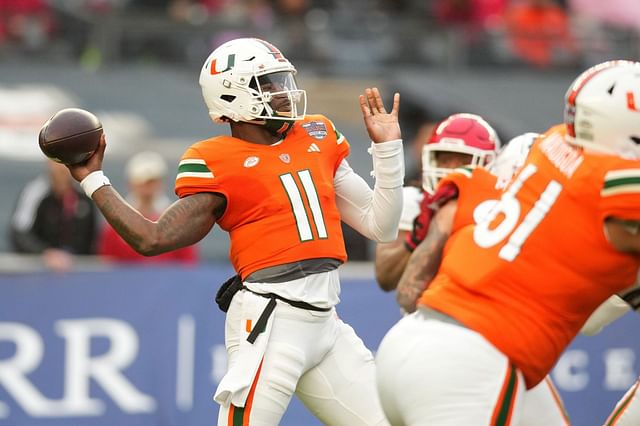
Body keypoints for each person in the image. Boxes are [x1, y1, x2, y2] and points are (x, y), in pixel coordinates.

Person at [65, 37, 403, 425]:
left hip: (326, 323)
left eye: (282, 81)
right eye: (269, 84)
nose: (283, 93)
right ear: (232, 95)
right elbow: (152, 238)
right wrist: (93, 180)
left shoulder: (317, 135)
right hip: (272, 322)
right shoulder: (216, 160)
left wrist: (388, 151)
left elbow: (381, 224)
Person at [375, 59, 640, 425]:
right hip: (471, 362)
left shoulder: (551, 142)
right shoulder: (614, 184)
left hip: (413, 338)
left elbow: (407, 291)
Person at [390, 132, 570, 425]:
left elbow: (406, 294)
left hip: (420, 337)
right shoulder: (558, 224)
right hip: (479, 350)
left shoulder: (463, 192)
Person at [375, 113, 500, 292]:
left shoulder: (499, 209)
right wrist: (416, 238)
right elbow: (385, 278)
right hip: (422, 313)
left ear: (488, 164)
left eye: (463, 160)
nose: (450, 170)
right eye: (445, 159)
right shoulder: (412, 200)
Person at [97, 151, 198, 264]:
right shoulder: (114, 225)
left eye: (152, 181)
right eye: (142, 181)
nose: (147, 187)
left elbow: (188, 265)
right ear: (131, 183)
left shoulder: (179, 223)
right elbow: (107, 265)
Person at [9, 159, 97, 272]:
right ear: (49, 165)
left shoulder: (84, 195)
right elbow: (19, 233)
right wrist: (45, 253)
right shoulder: (35, 192)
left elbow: (92, 238)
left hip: (75, 272)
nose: (62, 169)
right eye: (57, 163)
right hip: (38, 271)